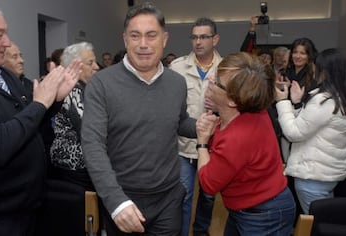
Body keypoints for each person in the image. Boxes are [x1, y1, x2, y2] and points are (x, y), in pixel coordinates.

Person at [0, 2, 82, 236]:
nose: (7, 42)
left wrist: (53, 102)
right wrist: (41, 103)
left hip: (26, 207)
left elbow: (27, 124)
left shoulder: (3, 74)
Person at [81, 2, 197, 235]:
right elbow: (92, 145)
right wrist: (116, 202)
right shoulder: (102, 84)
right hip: (124, 200)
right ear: (125, 40)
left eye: (151, 35)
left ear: (164, 39)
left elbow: (179, 121)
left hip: (168, 199)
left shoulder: (177, 83)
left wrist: (202, 126)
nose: (143, 44)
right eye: (135, 36)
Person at [196, 52, 296, 235]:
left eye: (216, 80)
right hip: (251, 207)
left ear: (233, 100)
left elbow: (208, 184)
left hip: (263, 214)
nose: (210, 78)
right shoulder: (253, 109)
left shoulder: (237, 137)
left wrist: (202, 142)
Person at [275, 48, 346, 214]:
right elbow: (311, 125)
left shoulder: (324, 100)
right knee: (325, 222)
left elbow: (294, 133)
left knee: (317, 225)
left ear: (326, 71)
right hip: (328, 172)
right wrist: (297, 104)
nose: (314, 70)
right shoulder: (344, 96)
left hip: (313, 175)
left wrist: (283, 102)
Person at [169, 17, 222, 236]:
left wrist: (219, 105)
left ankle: (201, 231)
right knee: (184, 195)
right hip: (183, 145)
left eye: (203, 37)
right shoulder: (177, 67)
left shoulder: (226, 68)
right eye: (194, 37)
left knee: (208, 197)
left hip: (213, 146)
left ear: (215, 39)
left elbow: (237, 107)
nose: (198, 42)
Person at [50, 41, 99, 188]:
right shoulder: (72, 90)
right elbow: (90, 129)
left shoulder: (85, 88)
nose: (96, 67)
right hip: (74, 166)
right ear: (75, 65)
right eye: (91, 63)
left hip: (79, 165)